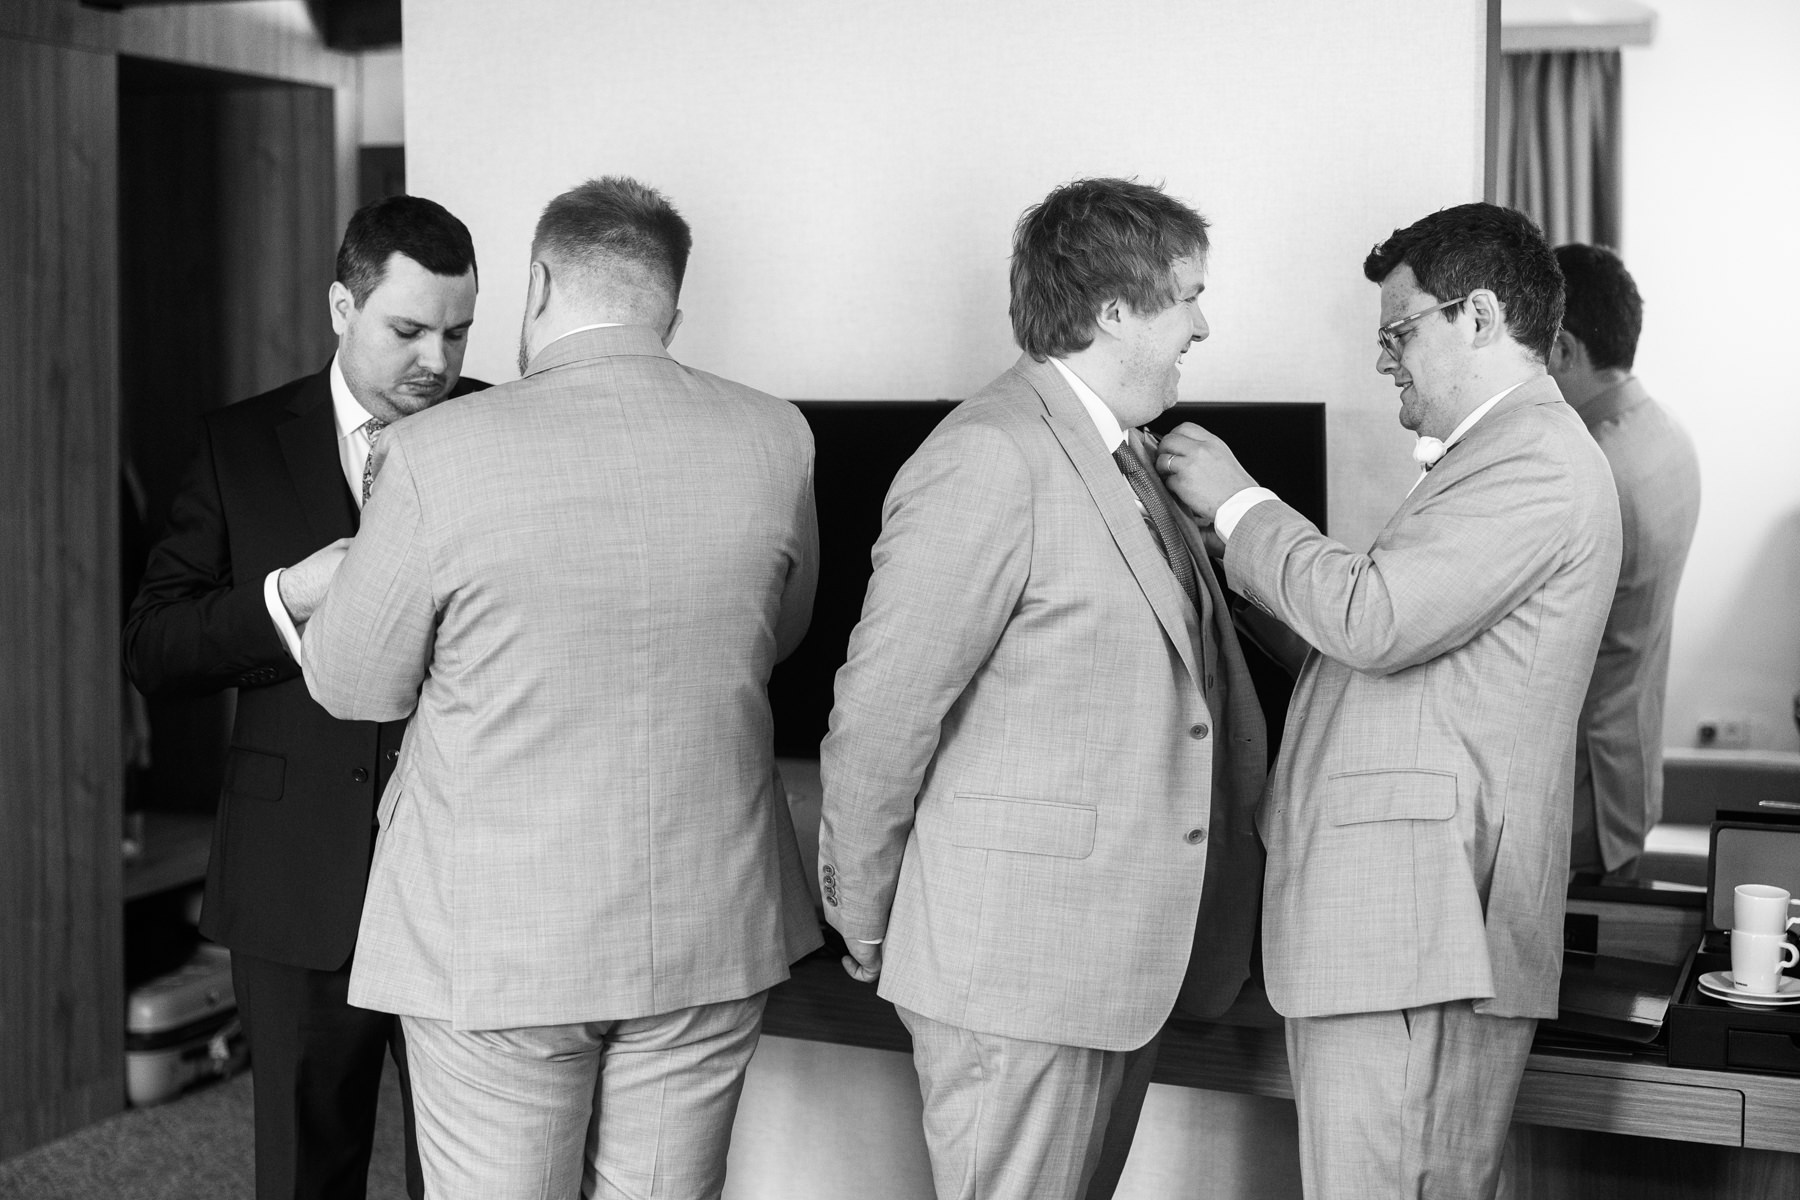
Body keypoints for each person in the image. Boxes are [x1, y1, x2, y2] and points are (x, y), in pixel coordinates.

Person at [299, 176, 821, 1200]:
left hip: (496, 943)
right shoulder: (776, 436)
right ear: (670, 308)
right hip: (707, 924)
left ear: (538, 284)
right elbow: (780, 634)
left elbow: (354, 685)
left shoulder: (431, 452)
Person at [1157, 202, 1623, 1199]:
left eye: (1399, 332)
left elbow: (1374, 620)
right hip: (1404, 935)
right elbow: (1377, 659)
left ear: (1480, 317)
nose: (1383, 360)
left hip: (1426, 935)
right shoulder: (1491, 459)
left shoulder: (1538, 461)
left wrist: (1241, 502)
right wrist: (1232, 559)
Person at [818, 178, 1268, 1200]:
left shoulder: (1134, 458)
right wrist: (869, 916)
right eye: (1187, 298)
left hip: (1117, 969)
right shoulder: (989, 454)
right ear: (1113, 311)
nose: (1202, 326)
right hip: (1012, 978)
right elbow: (882, 714)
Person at [123, 194, 482, 1200]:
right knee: (302, 1178)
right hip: (294, 875)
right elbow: (154, 647)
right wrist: (287, 596)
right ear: (341, 307)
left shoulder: (502, 431)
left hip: (466, 882)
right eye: (408, 330)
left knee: (467, 1179)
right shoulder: (238, 444)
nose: (438, 361)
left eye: (458, 332)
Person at [1550, 243, 1701, 879]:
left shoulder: (1591, 472)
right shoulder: (1666, 431)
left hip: (1580, 786)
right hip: (1629, 760)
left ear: (1563, 349)